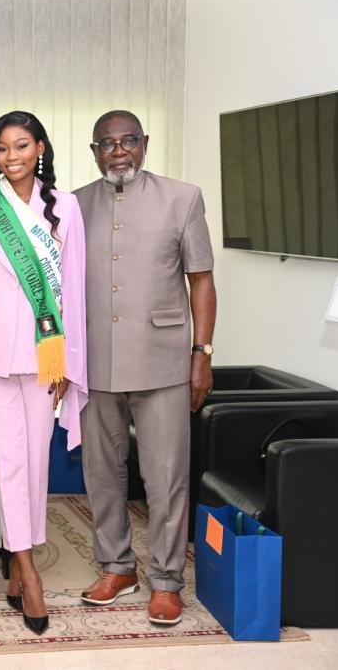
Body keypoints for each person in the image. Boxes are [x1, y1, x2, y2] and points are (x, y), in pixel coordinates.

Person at [74, 110, 216, 626]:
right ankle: (116, 566)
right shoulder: (72, 205)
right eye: (107, 143)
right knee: (101, 473)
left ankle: (166, 580)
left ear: (144, 143)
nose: (118, 151)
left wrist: (202, 354)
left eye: (128, 140)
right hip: (93, 361)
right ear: (94, 151)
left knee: (166, 476)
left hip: (163, 361)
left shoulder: (183, 198)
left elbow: (201, 280)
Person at [0, 111, 87, 635]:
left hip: (45, 352)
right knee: (9, 460)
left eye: (21, 146)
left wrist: (68, 360)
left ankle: (18, 558)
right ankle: (28, 570)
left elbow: (72, 286)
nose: (12, 157)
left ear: (41, 149)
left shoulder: (67, 207)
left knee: (34, 463)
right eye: (2, 149)